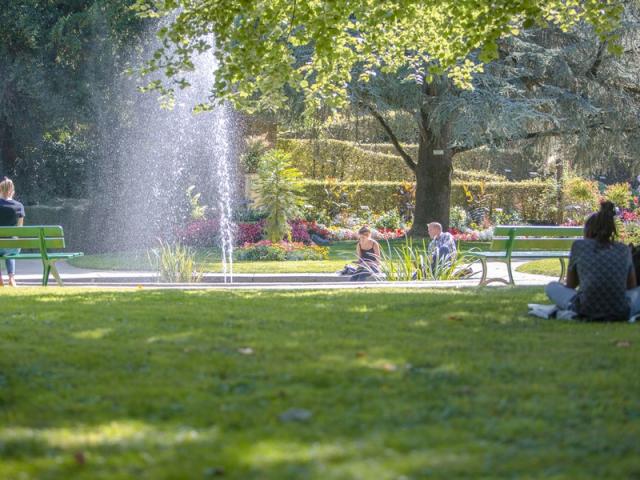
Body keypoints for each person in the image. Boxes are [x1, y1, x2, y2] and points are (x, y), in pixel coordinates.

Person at [546, 201, 640, 321]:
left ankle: (573, 307)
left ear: (588, 230)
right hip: (622, 310)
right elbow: (631, 287)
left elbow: (571, 285)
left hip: (585, 309)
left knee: (551, 287)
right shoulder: (624, 249)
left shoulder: (579, 246)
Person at [0, 177, 25, 287]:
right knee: (11, 247)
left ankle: (0, 278)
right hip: (13, 246)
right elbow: (20, 228)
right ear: (12, 191)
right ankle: (11, 278)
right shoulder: (19, 206)